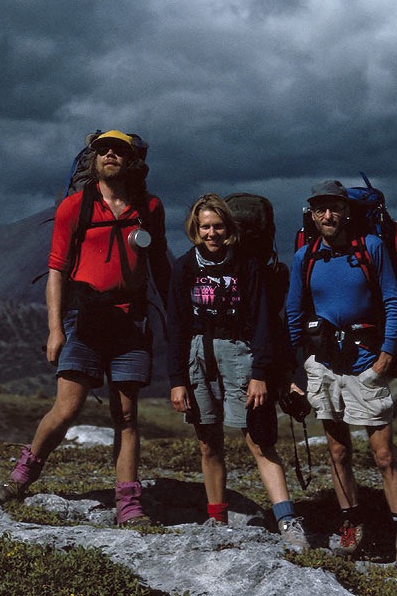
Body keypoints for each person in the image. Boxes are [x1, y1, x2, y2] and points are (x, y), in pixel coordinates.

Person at [0, 130, 171, 527]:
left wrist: (175, 318)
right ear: (93, 159)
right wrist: (55, 329)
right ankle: (24, 473)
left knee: (126, 416)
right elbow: (56, 269)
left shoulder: (150, 208)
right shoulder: (75, 207)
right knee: (67, 407)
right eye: (102, 150)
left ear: (132, 162)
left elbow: (159, 265)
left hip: (131, 320)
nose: (109, 155)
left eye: (118, 151)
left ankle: (128, 503)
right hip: (85, 320)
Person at [285, 179, 397, 570]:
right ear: (311, 214)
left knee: (384, 455)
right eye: (320, 209)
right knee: (338, 451)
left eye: (335, 208)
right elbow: (294, 313)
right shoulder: (305, 258)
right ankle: (351, 524)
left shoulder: (370, 248)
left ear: (346, 212)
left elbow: (393, 301)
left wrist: (386, 356)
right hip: (324, 366)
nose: (328, 216)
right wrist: (299, 368)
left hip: (365, 365)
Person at [166, 193, 309, 550]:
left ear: (228, 229)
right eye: (205, 227)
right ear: (195, 231)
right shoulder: (184, 268)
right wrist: (176, 380)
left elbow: (262, 322)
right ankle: (217, 520)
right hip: (198, 357)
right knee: (207, 442)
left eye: (217, 226)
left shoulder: (247, 267)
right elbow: (176, 327)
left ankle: (288, 521)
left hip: (239, 355)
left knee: (259, 439)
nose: (211, 233)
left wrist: (260, 373)